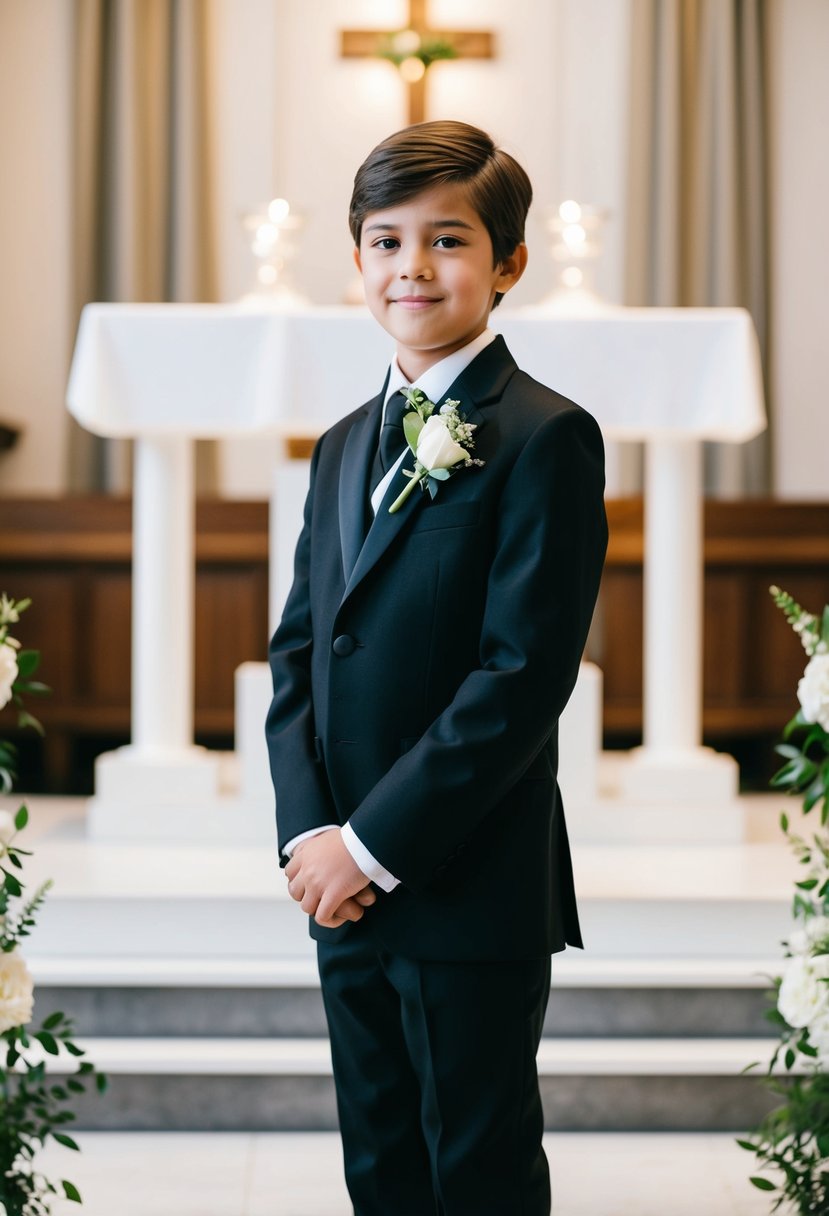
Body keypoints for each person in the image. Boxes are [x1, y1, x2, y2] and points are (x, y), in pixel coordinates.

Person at [266, 120, 608, 1216]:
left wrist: (374, 844)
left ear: (507, 263)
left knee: (477, 1165)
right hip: (343, 894)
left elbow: (520, 676)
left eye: (446, 240)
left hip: (464, 878)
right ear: (358, 260)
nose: (411, 267)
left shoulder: (545, 437)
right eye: (384, 240)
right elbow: (299, 657)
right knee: (381, 1161)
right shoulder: (337, 446)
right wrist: (314, 839)